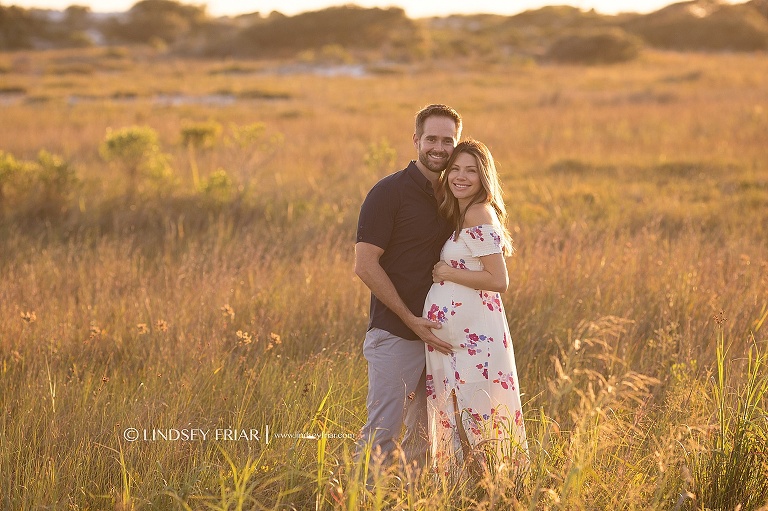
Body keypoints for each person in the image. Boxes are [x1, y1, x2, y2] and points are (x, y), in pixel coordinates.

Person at [354, 104, 462, 471]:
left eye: (448, 140)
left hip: (440, 337)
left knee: (426, 439)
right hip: (396, 334)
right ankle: (360, 500)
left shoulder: (456, 196)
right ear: (416, 140)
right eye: (431, 138)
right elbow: (364, 265)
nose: (439, 147)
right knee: (381, 434)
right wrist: (410, 319)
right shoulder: (388, 193)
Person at [423, 139, 528, 478]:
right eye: (455, 169)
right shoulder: (461, 213)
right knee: (465, 417)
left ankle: (493, 489)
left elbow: (499, 280)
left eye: (471, 170)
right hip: (458, 343)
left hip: (476, 343)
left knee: (480, 417)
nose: (460, 177)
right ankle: (469, 490)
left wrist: (446, 272)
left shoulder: (478, 212)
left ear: (484, 177)